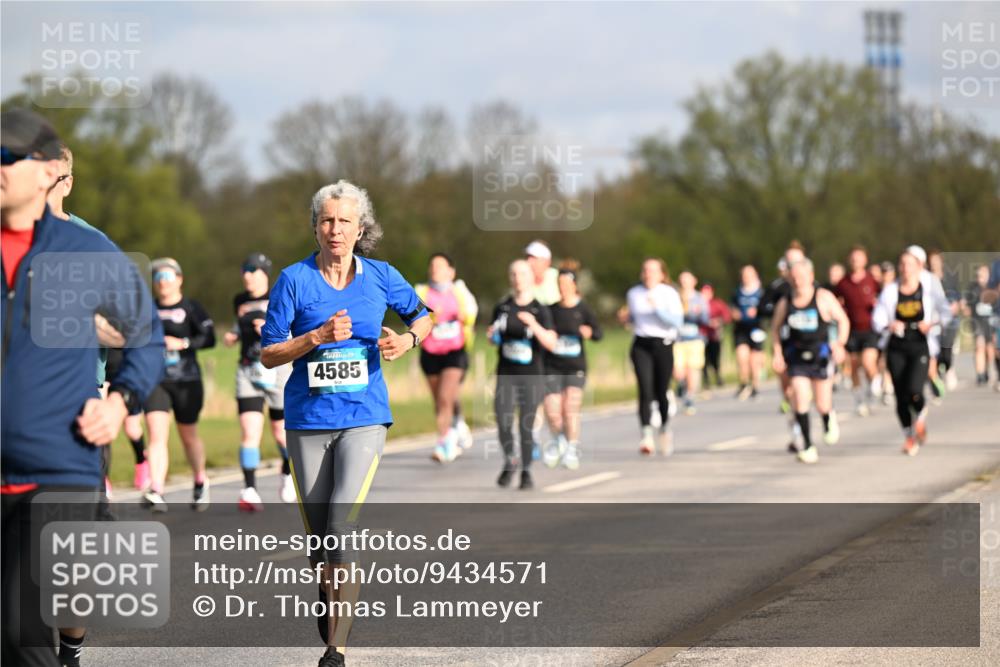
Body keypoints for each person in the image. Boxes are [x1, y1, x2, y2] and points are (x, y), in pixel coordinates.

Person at [2, 108, 163, 667]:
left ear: (51, 174)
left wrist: (119, 402)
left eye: (7, 157)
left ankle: (69, 642)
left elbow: (143, 335)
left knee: (25, 617)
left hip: (64, 438)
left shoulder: (88, 248)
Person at [260, 180, 431, 666]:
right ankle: (328, 590)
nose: (336, 230)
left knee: (341, 527)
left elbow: (425, 316)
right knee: (320, 542)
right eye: (327, 221)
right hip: (307, 421)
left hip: (364, 417)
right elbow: (269, 353)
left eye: (345, 222)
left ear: (361, 230)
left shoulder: (381, 276)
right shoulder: (294, 280)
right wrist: (313, 336)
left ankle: (336, 649)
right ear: (315, 227)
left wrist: (407, 341)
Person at [222, 252, 296, 511]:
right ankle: (250, 489)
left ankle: (288, 475)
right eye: (245, 270)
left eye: (253, 270)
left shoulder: (279, 295)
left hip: (277, 368)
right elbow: (236, 326)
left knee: (281, 432)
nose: (248, 276)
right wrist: (232, 336)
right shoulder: (239, 301)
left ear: (265, 273)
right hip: (248, 370)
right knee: (249, 431)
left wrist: (267, 329)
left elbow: (293, 331)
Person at [141, 258, 216, 512]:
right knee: (156, 435)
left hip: (187, 380)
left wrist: (182, 344)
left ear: (179, 279)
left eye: (167, 277)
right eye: (158, 278)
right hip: (156, 380)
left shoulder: (191, 307)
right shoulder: (148, 308)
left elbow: (209, 338)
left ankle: (200, 480)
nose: (162, 282)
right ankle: (157, 490)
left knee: (188, 436)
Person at [771, 258, 850, 464]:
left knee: (822, 403)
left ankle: (827, 417)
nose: (797, 281)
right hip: (796, 358)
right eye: (794, 277)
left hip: (820, 356)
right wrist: (777, 353)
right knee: (800, 396)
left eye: (801, 277)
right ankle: (807, 445)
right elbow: (775, 330)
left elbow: (843, 320)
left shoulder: (823, 297)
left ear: (811, 277)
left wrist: (840, 344)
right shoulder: (785, 302)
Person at [488, 259, 558, 488]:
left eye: (523, 274)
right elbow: (494, 338)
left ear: (531, 278)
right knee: (503, 420)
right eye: (514, 274)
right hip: (506, 373)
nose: (518, 278)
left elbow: (551, 343)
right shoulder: (502, 307)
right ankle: (511, 459)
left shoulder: (540, 309)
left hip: (532, 375)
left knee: (525, 425)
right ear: (511, 278)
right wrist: (491, 336)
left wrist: (534, 325)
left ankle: (526, 471)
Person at [872, 248, 950, 455]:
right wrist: (889, 324)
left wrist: (931, 324)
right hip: (897, 345)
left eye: (909, 264)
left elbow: (945, 313)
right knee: (901, 396)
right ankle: (909, 435)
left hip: (920, 344)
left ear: (918, 267)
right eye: (902, 264)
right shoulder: (890, 291)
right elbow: (877, 318)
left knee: (915, 390)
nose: (905, 269)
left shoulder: (929, 289)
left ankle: (921, 417)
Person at [414, 253, 478, 463]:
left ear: (451, 271)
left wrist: (462, 316)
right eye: (432, 266)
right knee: (441, 401)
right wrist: (432, 316)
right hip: (430, 352)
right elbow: (412, 317)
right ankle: (457, 422)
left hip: (455, 352)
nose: (435, 270)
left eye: (440, 266)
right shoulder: (421, 291)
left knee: (444, 396)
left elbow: (472, 313)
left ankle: (444, 444)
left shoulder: (459, 290)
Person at [541, 262, 602, 469]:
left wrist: (589, 332)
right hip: (552, 365)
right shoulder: (551, 310)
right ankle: (559, 439)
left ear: (574, 285)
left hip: (575, 365)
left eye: (566, 283)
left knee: (570, 409)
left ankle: (572, 448)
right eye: (559, 283)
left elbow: (598, 333)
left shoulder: (583, 308)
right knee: (552, 410)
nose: (563, 287)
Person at [619, 258, 683, 455]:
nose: (649, 274)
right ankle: (646, 435)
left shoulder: (669, 293)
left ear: (662, 274)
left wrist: (658, 309)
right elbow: (633, 319)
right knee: (645, 390)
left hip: (663, 344)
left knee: (661, 390)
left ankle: (664, 427)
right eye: (646, 270)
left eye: (653, 271)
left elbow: (677, 321)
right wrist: (625, 318)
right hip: (641, 344)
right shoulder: (634, 293)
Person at [834, 245, 882, 416]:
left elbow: (884, 298)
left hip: (870, 329)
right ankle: (859, 399)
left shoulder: (872, 280)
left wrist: (878, 306)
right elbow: (835, 300)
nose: (855, 261)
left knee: (869, 363)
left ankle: (875, 383)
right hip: (851, 330)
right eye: (853, 258)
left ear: (865, 260)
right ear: (849, 261)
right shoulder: (843, 283)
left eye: (859, 258)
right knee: (853, 366)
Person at [674, 271, 709, 415]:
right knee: (678, 371)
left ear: (694, 281)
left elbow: (706, 319)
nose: (685, 283)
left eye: (687, 280)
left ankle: (689, 398)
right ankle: (681, 385)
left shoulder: (700, 298)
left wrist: (697, 313)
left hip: (694, 339)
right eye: (682, 280)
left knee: (692, 370)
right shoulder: (675, 297)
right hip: (678, 339)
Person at [928, 249, 962, 391]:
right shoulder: (926, 278)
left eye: (936, 260)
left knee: (947, 348)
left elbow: (959, 296)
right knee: (936, 350)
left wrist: (957, 305)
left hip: (950, 319)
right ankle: (937, 374)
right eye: (931, 261)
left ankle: (949, 367)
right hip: (933, 319)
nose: (934, 263)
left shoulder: (950, 277)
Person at [730, 265, 766, 401]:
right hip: (741, 329)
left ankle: (755, 386)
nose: (746, 278)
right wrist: (735, 314)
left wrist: (758, 312)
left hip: (756, 329)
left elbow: (768, 310)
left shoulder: (761, 293)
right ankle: (744, 383)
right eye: (744, 275)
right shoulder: (737, 292)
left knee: (754, 361)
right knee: (742, 358)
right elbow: (732, 307)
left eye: (749, 275)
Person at [964, 264, 998, 387]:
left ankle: (988, 370)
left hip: (991, 321)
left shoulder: (993, 287)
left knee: (990, 349)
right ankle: (980, 374)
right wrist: (966, 308)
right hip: (977, 321)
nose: (980, 277)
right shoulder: (973, 288)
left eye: (983, 274)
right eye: (978, 275)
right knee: (979, 347)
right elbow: (966, 304)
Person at [701, 282, 730, 390]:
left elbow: (726, 316)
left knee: (715, 357)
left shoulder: (717, 303)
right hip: (702, 335)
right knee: (703, 359)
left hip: (714, 335)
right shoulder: (698, 303)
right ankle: (706, 380)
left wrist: (718, 321)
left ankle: (718, 376)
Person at [524, 240, 560, 306]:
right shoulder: (521, 280)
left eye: (534, 258)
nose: (528, 262)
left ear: (547, 261)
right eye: (527, 257)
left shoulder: (559, 278)